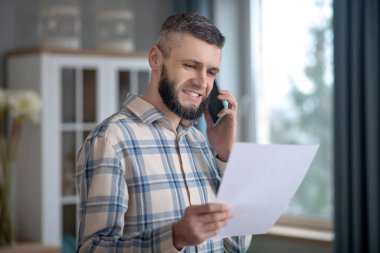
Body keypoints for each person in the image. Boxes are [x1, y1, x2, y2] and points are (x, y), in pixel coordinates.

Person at [76, 12, 252, 252]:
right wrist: (175, 237)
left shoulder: (199, 142)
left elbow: (236, 245)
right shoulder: (110, 140)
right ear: (156, 59)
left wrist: (227, 157)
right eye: (190, 65)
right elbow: (91, 249)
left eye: (211, 72)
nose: (203, 83)